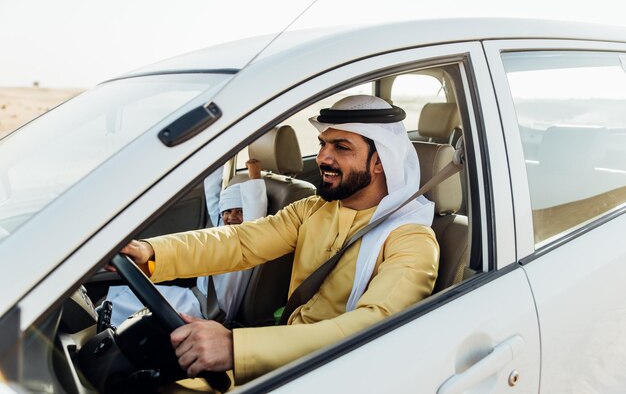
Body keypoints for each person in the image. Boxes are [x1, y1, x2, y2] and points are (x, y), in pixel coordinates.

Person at [120, 95, 439, 385]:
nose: (323, 158)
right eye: (322, 144)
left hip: (329, 374)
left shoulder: (411, 240)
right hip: (278, 357)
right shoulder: (313, 210)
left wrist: (235, 347)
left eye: (341, 148)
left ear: (381, 161)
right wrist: (150, 252)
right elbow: (239, 242)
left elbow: (374, 325)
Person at [105, 159, 267, 327]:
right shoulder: (222, 226)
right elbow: (212, 194)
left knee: (135, 310)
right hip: (192, 296)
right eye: (227, 211)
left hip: (208, 311)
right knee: (129, 295)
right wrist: (220, 157)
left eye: (240, 212)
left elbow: (256, 211)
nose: (232, 217)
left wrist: (254, 174)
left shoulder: (247, 239)